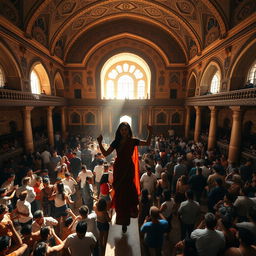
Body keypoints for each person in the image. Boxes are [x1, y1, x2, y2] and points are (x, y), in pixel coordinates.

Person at [97, 122, 152, 232]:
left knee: (128, 191)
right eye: (122, 129)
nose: (124, 131)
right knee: (120, 192)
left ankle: (127, 218)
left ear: (128, 130)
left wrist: (150, 132)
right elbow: (106, 153)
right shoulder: (116, 142)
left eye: (125, 129)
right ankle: (122, 219)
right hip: (119, 168)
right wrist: (100, 142)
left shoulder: (133, 141)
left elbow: (147, 143)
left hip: (128, 168)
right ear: (119, 131)